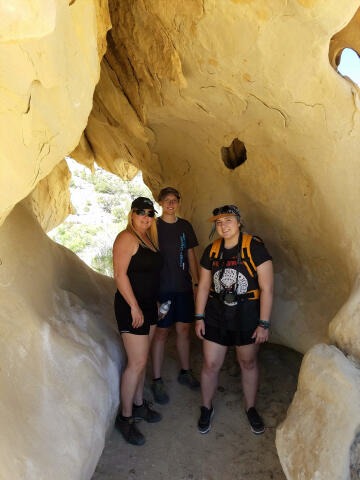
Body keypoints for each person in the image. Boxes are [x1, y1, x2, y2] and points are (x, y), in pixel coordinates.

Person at [195, 205, 273, 435]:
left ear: (239, 222)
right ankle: (206, 407)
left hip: (246, 313)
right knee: (210, 364)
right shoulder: (212, 250)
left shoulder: (254, 248)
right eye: (218, 222)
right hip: (216, 313)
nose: (223, 226)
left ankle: (250, 408)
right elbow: (204, 286)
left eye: (228, 220)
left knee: (247, 363)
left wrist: (264, 323)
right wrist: (199, 317)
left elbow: (267, 288)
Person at [113, 197, 163, 446]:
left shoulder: (148, 240)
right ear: (132, 214)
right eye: (141, 212)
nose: (146, 216)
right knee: (137, 362)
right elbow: (120, 275)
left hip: (148, 306)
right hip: (130, 307)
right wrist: (134, 306)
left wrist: (151, 303)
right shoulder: (126, 238)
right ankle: (126, 418)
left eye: (150, 213)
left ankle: (139, 403)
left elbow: (150, 275)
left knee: (142, 361)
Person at [150, 187, 200, 404]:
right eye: (166, 200)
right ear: (160, 202)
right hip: (162, 289)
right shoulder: (153, 226)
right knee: (161, 333)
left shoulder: (184, 226)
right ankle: (157, 379)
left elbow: (191, 255)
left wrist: (197, 283)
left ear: (179, 202)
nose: (171, 204)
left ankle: (185, 371)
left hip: (183, 288)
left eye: (174, 200)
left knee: (183, 329)